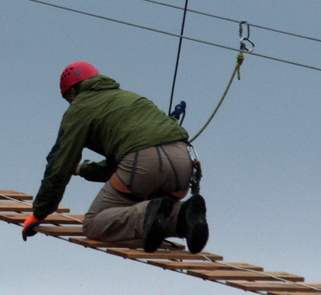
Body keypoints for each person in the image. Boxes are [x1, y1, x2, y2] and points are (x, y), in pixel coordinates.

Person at [21, 61, 209, 253]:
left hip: (143, 162)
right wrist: (80, 169)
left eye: (68, 99)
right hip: (182, 161)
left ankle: (145, 216)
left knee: (94, 223)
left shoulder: (79, 108)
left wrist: (40, 213)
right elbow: (118, 165)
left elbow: (59, 165)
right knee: (155, 208)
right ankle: (183, 215)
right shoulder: (130, 98)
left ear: (72, 92)